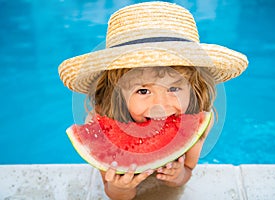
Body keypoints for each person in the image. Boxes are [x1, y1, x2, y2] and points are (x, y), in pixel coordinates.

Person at [58, 2, 248, 200]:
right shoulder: (100, 122)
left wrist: (178, 175)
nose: (161, 105)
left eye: (174, 88)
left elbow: (188, 171)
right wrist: (121, 188)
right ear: (115, 93)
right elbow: (112, 191)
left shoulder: (198, 122)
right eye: (143, 90)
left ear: (193, 89)